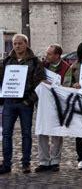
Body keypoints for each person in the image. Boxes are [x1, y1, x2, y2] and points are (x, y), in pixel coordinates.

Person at [0, 34, 46, 174]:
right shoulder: (6, 61)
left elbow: (39, 84)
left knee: (26, 134)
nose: (17, 46)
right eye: (15, 43)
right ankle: (6, 164)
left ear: (26, 44)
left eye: (20, 43)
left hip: (25, 103)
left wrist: (28, 100)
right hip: (9, 103)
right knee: (7, 134)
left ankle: (26, 163)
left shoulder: (35, 62)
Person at [35, 44, 71, 172]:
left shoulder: (67, 68)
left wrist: (54, 86)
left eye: (49, 54)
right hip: (43, 104)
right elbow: (35, 79)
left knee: (57, 132)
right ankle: (43, 161)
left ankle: (55, 160)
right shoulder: (42, 65)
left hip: (58, 105)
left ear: (57, 55)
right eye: (47, 53)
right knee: (42, 131)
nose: (46, 56)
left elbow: (67, 86)